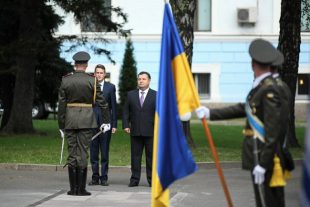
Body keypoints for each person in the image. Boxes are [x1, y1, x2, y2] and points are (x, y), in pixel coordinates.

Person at [196, 39, 286, 207]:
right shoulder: (263, 87)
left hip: (263, 156)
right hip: (259, 154)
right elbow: (243, 108)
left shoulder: (269, 89)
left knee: (269, 202)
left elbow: (272, 132)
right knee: (265, 201)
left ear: (253, 64)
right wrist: (210, 112)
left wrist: (263, 164)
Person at [58, 51, 111, 196]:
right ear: (86, 65)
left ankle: (73, 189)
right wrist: (106, 121)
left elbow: (61, 104)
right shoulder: (92, 80)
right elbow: (103, 103)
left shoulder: (66, 80)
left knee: (72, 152)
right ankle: (81, 189)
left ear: (75, 64)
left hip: (69, 120)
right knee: (82, 152)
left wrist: (61, 125)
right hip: (87, 120)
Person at [122, 71, 157, 187]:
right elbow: (126, 111)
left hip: (151, 131)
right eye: (139, 79)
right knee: (135, 157)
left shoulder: (156, 95)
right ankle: (134, 179)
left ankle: (152, 180)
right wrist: (126, 125)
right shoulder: (131, 94)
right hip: (135, 131)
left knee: (150, 157)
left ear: (149, 81)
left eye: (143, 79)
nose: (141, 81)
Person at [89, 64, 117, 186]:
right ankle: (95, 177)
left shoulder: (111, 87)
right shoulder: (90, 86)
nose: (99, 74)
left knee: (104, 151)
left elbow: (114, 107)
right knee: (93, 151)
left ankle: (104, 177)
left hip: (105, 123)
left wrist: (113, 124)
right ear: (94, 74)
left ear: (104, 74)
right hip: (92, 122)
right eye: (97, 72)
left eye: (101, 72)